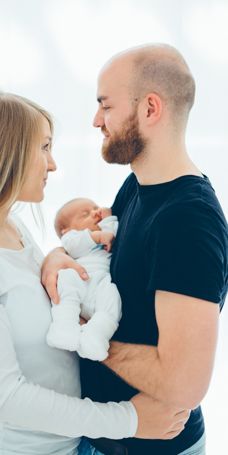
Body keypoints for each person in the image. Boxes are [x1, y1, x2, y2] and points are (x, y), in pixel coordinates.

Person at [0, 91, 190, 455]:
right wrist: (129, 419)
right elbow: (5, 397)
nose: (52, 165)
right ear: (6, 151)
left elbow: (34, 293)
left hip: (68, 445)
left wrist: (55, 254)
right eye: (44, 148)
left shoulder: (12, 226)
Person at [42, 44, 228, 455]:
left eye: (104, 105)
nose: (95, 121)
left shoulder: (188, 221)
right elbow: (97, 254)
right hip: (104, 436)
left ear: (149, 109)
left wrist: (86, 335)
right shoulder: (138, 187)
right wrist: (56, 257)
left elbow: (185, 383)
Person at [47, 198, 121, 361]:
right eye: (86, 214)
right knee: (67, 278)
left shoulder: (103, 233)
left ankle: (96, 334)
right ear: (66, 230)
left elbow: (114, 236)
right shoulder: (73, 237)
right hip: (79, 280)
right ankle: (64, 327)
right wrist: (95, 237)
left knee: (113, 297)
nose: (96, 213)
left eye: (96, 208)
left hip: (101, 283)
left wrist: (108, 219)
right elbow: (72, 246)